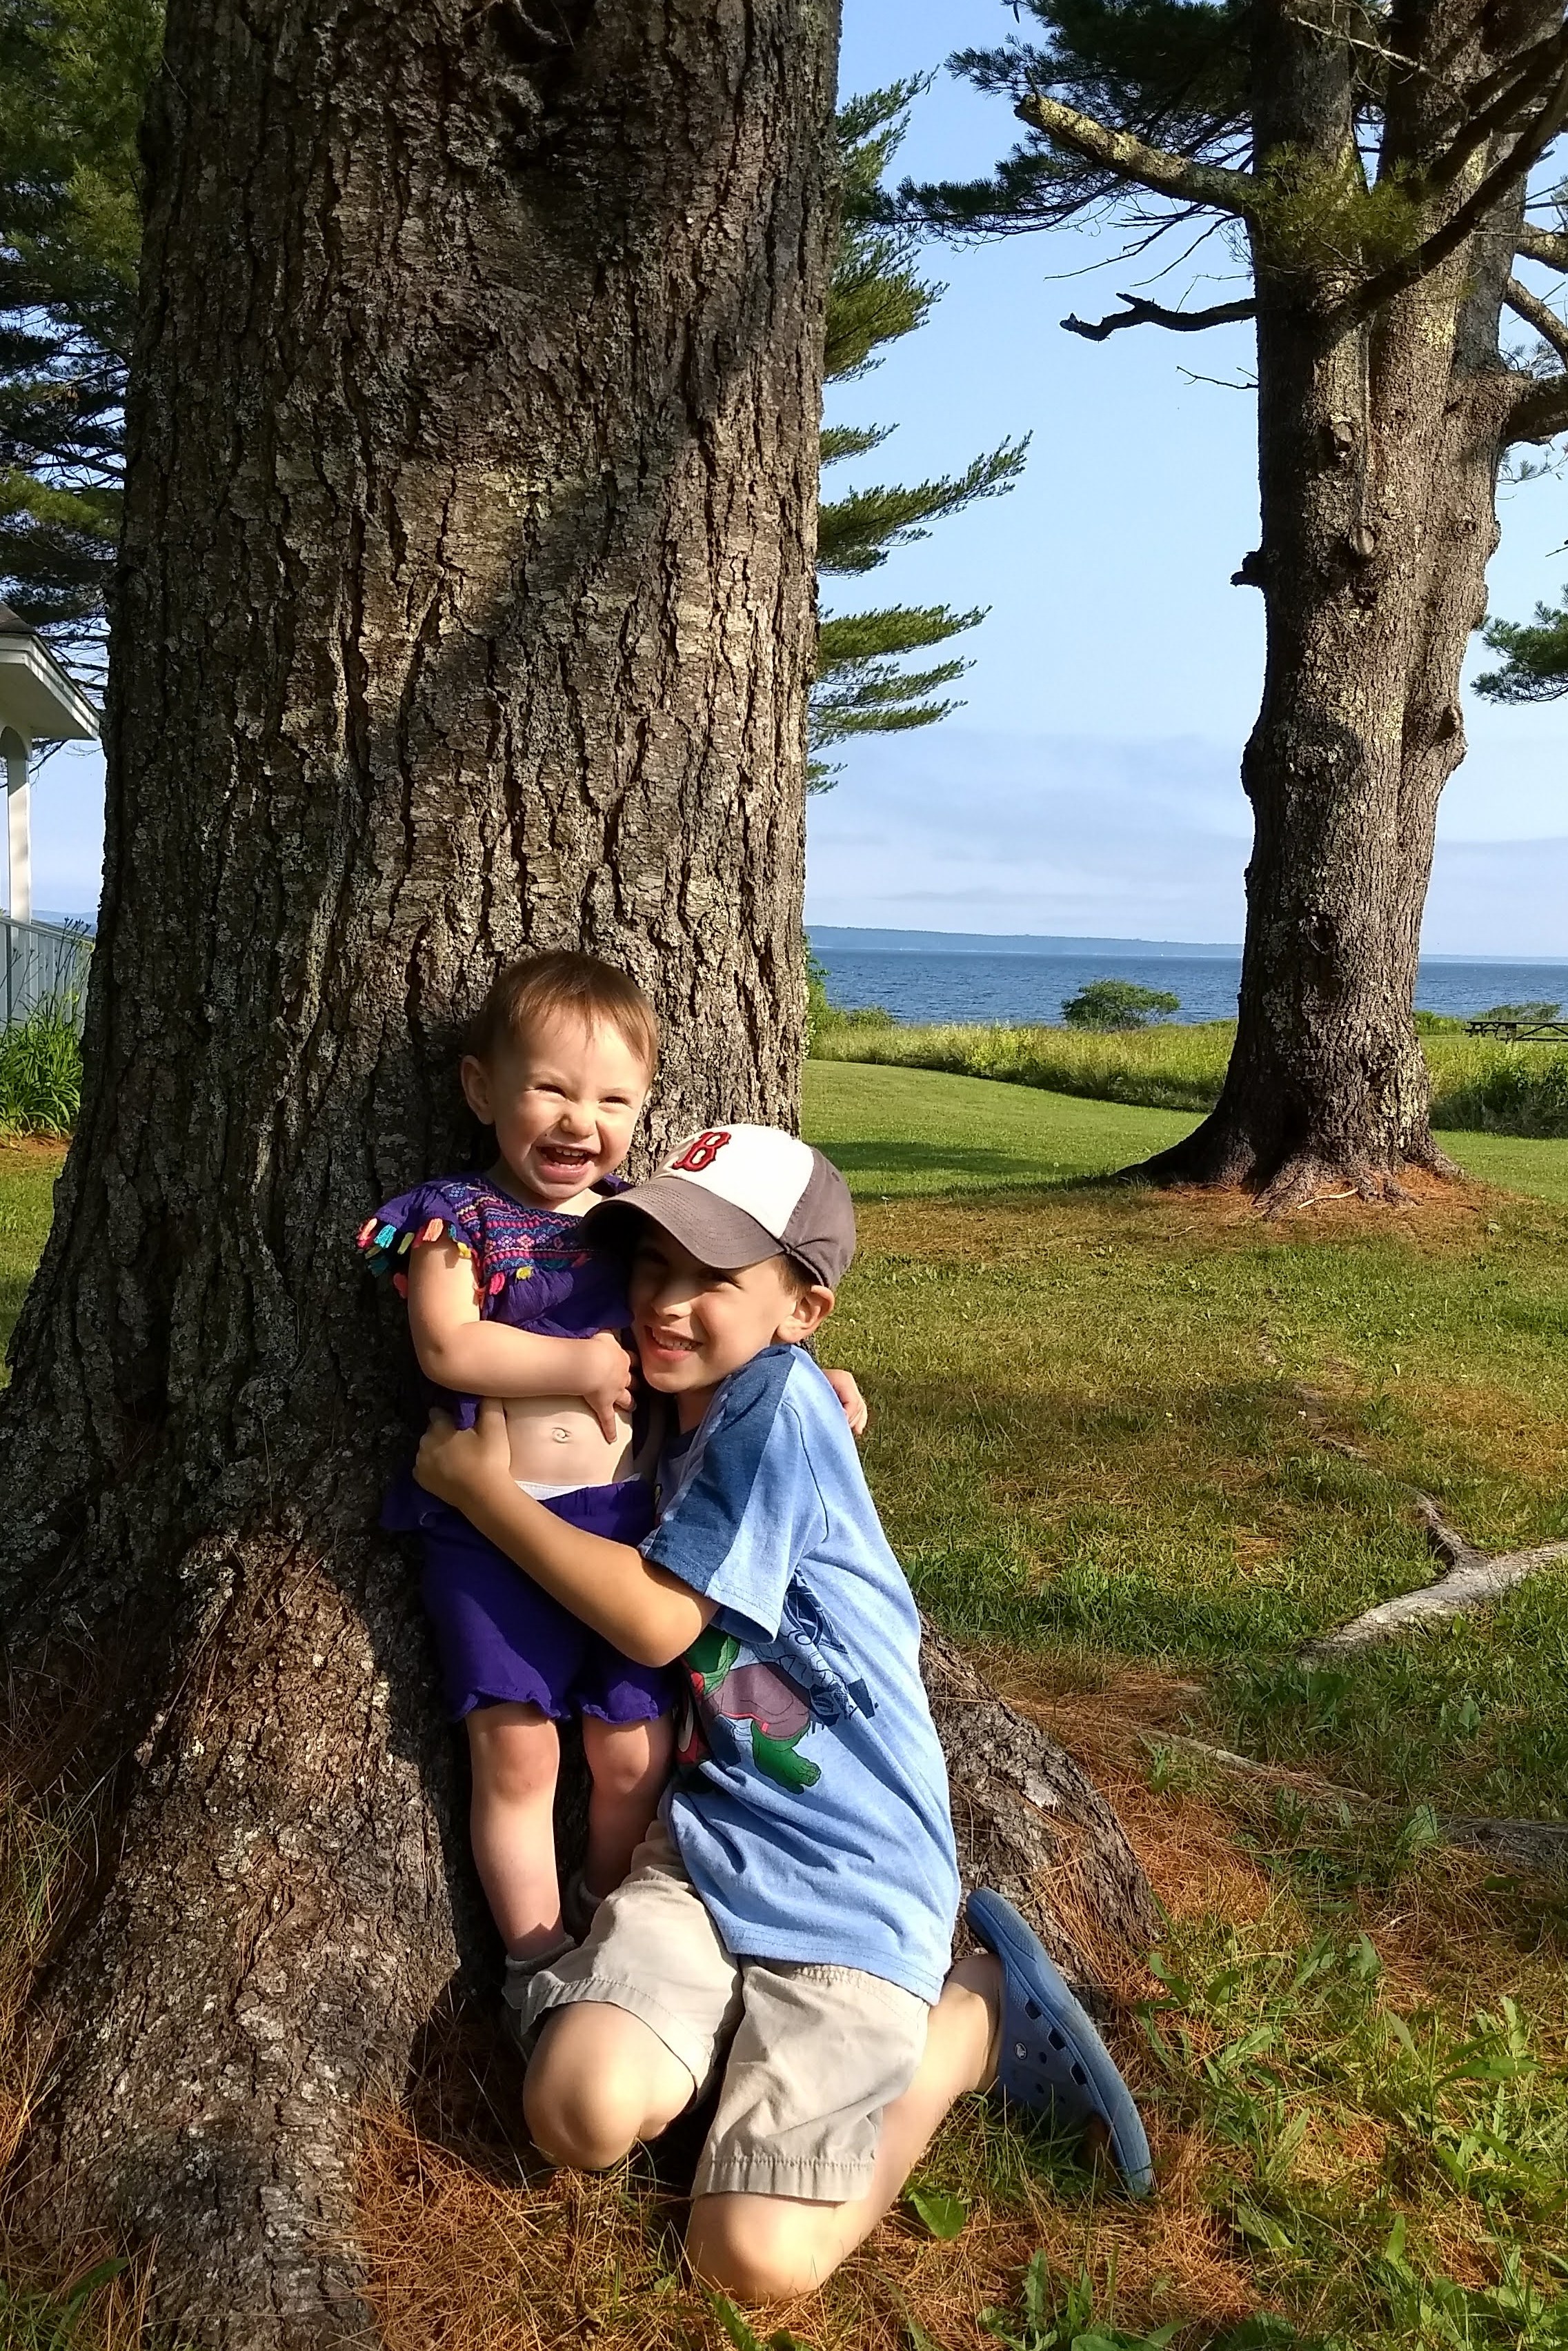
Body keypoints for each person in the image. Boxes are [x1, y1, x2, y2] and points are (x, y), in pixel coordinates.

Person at [413, 1124, 1153, 2303]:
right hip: (713, 1841)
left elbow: (658, 1626)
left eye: (713, 1277)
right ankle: (715, 2056)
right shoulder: (683, 1382)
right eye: (652, 1265)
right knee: (576, 2113)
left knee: (748, 2264)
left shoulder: (772, 1411)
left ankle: (968, 2020)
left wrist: (479, 1494)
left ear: (803, 1310)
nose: (665, 1302)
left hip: (854, 1878)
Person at [360, 958, 867, 2010]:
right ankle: (532, 1956)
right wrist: (577, 1363)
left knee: (630, 1750)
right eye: (549, 1089)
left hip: (625, 1529)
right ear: (480, 1089)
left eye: (611, 1101)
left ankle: (603, 1913)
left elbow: (727, 1322)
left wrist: (814, 1380)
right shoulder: (461, 1219)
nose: (577, 1121)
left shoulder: (635, 1221)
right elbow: (447, 1347)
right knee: (516, 1755)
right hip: (488, 1539)